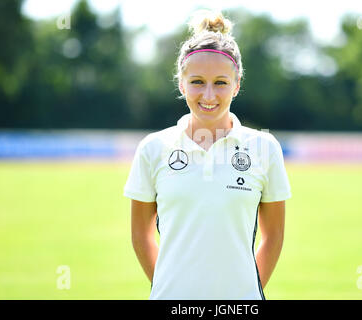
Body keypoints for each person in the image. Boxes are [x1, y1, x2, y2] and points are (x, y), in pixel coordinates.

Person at [124, 10, 291, 300]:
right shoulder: (153, 148)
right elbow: (141, 235)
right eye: (198, 81)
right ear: (181, 84)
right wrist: (169, 288)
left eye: (221, 82)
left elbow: (274, 236)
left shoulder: (265, 148)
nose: (209, 95)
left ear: (237, 85)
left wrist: (247, 292)